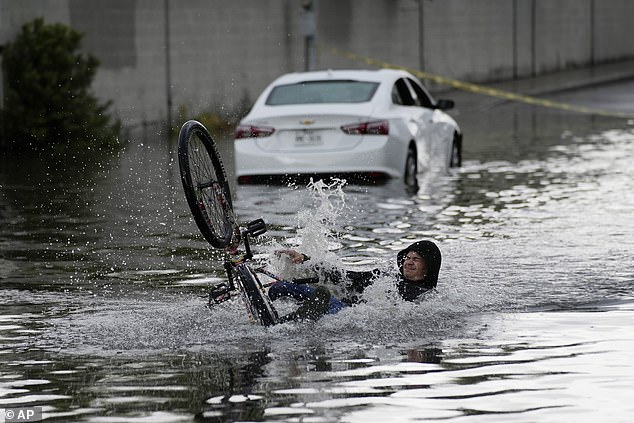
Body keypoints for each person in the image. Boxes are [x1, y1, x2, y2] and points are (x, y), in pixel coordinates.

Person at [268, 240, 442, 322]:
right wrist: (305, 258)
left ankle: (282, 322)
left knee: (323, 300)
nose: (409, 262)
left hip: (345, 313)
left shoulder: (426, 297)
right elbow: (346, 277)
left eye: (417, 259)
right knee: (280, 288)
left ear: (428, 267)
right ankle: (272, 311)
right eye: (408, 257)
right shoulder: (385, 278)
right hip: (341, 305)